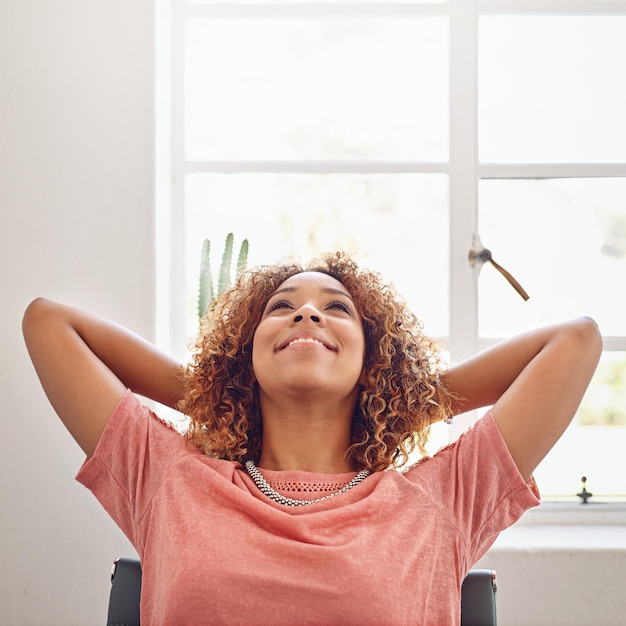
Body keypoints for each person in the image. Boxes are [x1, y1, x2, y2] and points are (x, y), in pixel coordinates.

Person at [22, 251, 601, 626]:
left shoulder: (439, 500)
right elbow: (50, 323)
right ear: (244, 354)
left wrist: (407, 400)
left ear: (374, 360)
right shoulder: (172, 479)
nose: (306, 314)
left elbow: (575, 342)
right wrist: (219, 393)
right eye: (282, 308)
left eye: (335, 309)